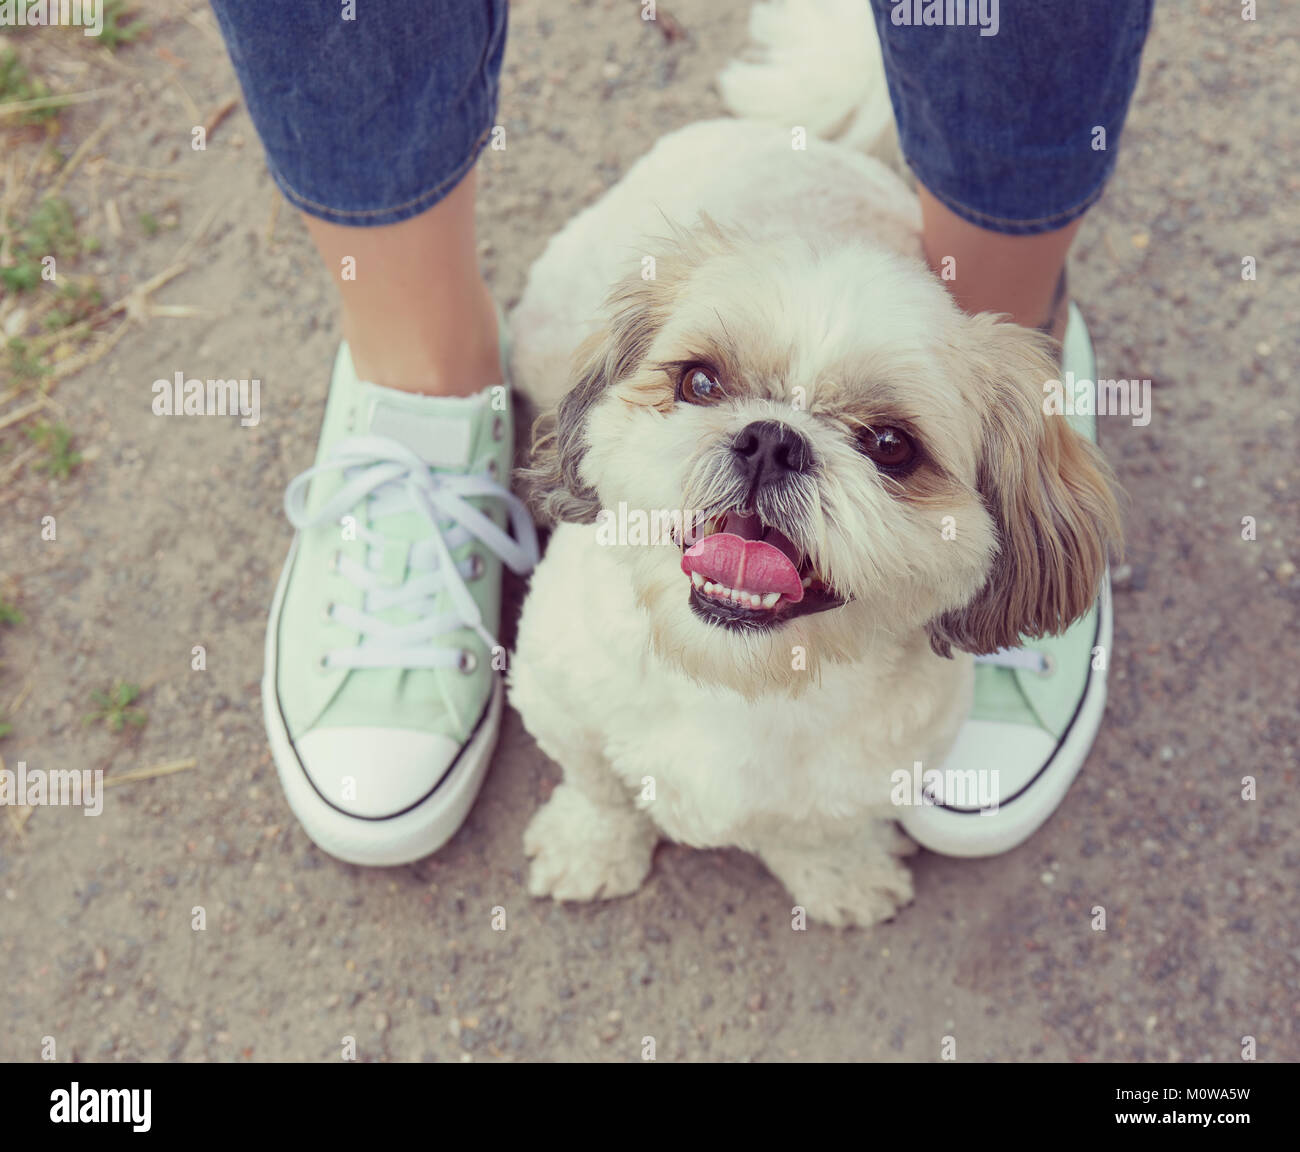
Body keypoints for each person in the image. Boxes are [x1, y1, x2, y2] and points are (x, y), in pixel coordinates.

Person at [208, 0, 1153, 865]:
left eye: (888, 446)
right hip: (682, 226)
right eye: (703, 383)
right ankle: (425, 383)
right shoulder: (576, 644)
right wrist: (605, 813)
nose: (769, 449)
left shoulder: (915, 712)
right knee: (546, 338)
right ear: (612, 404)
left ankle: (1020, 312)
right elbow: (567, 713)